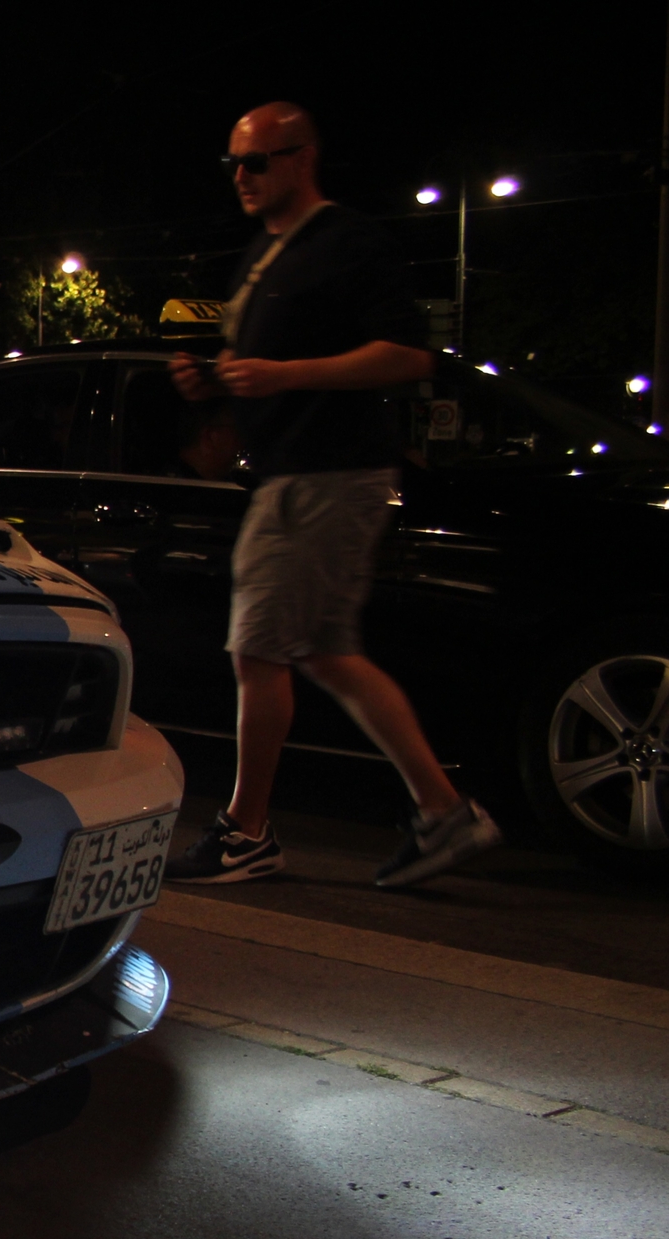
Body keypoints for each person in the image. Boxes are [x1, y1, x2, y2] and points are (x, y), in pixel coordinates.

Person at [166, 102, 499, 889]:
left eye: (256, 162)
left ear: (302, 158)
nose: (241, 179)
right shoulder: (264, 251)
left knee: (261, 650)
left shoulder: (347, 243)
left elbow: (409, 355)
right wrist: (212, 376)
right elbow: (264, 359)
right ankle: (443, 811)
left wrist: (287, 376)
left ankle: (247, 831)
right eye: (231, 166)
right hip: (296, 472)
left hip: (326, 476)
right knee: (322, 653)